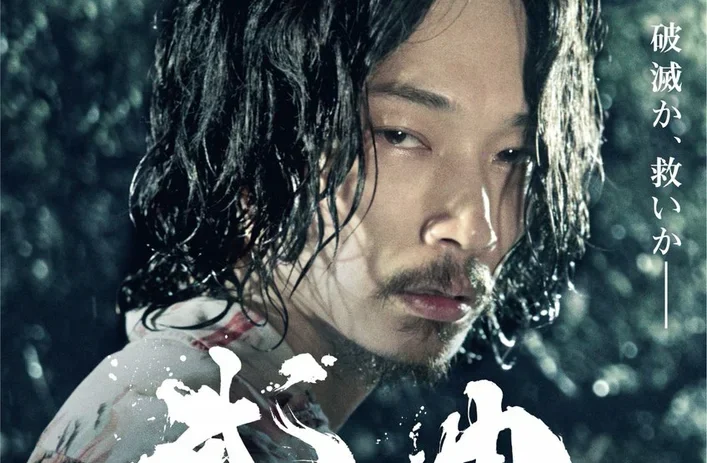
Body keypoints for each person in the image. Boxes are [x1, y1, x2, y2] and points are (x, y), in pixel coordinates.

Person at [28, 0, 603, 461]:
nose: (478, 228)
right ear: (254, 132)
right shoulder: (187, 429)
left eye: (511, 154)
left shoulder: (222, 410)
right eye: (400, 135)